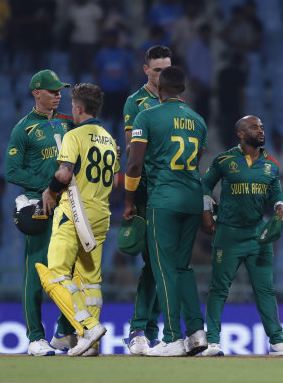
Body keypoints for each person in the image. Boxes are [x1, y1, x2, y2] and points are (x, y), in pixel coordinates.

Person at [123, 66, 208, 357]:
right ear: (183, 89)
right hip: (192, 198)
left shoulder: (146, 116)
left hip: (164, 199)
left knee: (163, 269)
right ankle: (197, 333)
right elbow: (195, 161)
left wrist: (128, 201)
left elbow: (134, 165)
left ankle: (171, 337)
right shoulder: (198, 120)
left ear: (159, 88)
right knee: (183, 268)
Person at [37, 83, 119, 357]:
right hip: (101, 214)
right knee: (91, 282)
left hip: (74, 211)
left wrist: (49, 191)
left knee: (57, 274)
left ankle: (87, 326)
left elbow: (64, 174)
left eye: (72, 106)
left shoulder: (74, 135)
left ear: (79, 108)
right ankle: (91, 345)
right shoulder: (108, 138)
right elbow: (115, 176)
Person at [200, 115, 283, 357]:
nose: (260, 130)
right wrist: (207, 211)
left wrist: (280, 206)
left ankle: (277, 340)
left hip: (258, 235)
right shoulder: (224, 159)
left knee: (266, 289)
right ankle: (212, 341)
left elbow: (276, 191)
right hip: (228, 235)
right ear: (240, 134)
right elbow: (205, 185)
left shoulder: (271, 163)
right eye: (254, 127)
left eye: (262, 126)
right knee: (219, 289)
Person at [5, 69, 76, 356]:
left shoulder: (69, 123)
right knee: (36, 270)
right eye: (52, 90)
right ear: (37, 93)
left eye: (60, 90)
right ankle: (36, 337)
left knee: (71, 270)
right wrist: (47, 187)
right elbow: (12, 171)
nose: (59, 95)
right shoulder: (23, 128)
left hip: (70, 205)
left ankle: (64, 331)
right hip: (41, 205)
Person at [122, 45, 172, 355]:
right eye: (156, 70)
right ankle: (138, 329)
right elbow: (130, 150)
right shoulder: (135, 102)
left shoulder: (175, 101)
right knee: (154, 263)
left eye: (167, 69)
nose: (162, 75)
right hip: (146, 191)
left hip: (169, 190)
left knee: (160, 264)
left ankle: (149, 332)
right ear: (145, 71)